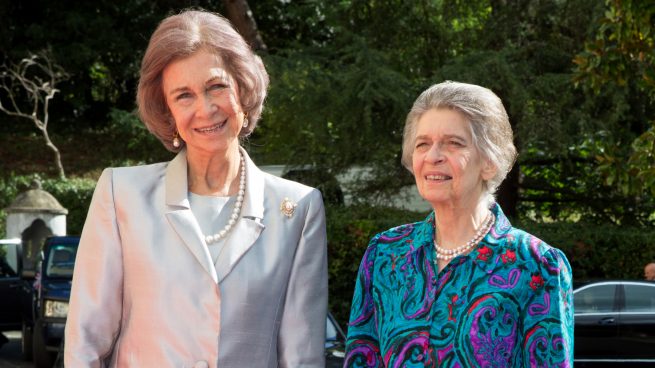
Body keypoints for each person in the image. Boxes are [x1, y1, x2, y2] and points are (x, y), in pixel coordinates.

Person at [65, 10, 328, 367]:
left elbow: (302, 356)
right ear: (167, 111)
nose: (205, 109)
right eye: (183, 96)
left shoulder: (298, 208)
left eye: (216, 86)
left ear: (243, 87)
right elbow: (86, 342)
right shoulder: (121, 194)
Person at [344, 81, 573, 367]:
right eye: (423, 144)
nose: (433, 156)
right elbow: (361, 359)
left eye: (453, 143)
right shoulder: (385, 254)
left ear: (489, 161)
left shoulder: (537, 264)